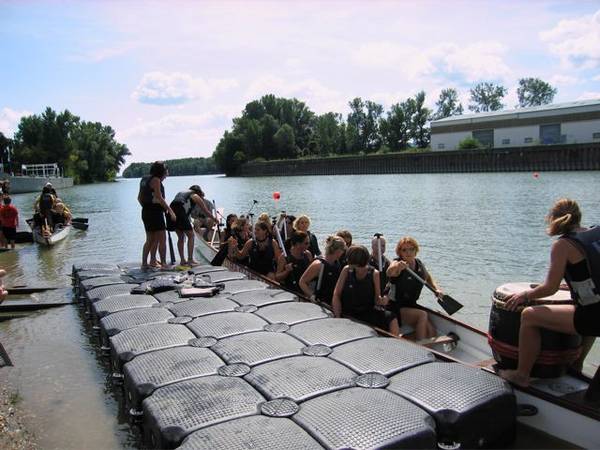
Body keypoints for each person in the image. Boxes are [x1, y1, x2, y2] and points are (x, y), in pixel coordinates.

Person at [500, 199, 600, 387]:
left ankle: (521, 375)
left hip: (595, 316)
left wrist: (524, 296)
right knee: (586, 307)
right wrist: (570, 286)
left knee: (529, 316)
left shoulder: (562, 245)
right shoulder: (596, 231)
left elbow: (549, 288)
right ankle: (576, 365)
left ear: (553, 219)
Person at [332, 245, 400, 335]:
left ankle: (395, 342)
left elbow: (377, 300)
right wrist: (338, 317)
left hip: (366, 311)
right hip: (349, 311)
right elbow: (336, 294)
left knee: (391, 317)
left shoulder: (374, 273)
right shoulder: (346, 270)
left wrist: (385, 299)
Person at [386, 237, 439, 341]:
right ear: (399, 252)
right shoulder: (397, 263)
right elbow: (389, 271)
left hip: (411, 305)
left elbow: (428, 278)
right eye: (404, 250)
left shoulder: (419, 263)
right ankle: (421, 348)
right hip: (396, 307)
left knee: (432, 332)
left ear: (416, 250)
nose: (408, 252)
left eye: (411, 249)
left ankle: (403, 340)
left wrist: (437, 289)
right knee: (422, 315)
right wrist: (397, 267)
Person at [138, 161, 176, 270]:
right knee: (161, 239)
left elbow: (139, 198)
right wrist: (170, 211)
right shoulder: (156, 180)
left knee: (150, 239)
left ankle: (148, 262)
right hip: (155, 213)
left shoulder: (144, 179)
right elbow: (159, 197)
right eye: (166, 171)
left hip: (146, 211)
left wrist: (147, 207)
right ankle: (163, 263)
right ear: (162, 171)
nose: (167, 174)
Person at [168, 185, 215, 266]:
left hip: (171, 212)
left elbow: (181, 207)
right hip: (179, 211)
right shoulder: (195, 195)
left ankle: (183, 260)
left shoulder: (182, 194)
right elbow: (206, 211)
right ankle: (190, 260)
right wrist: (215, 219)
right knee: (191, 235)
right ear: (198, 192)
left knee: (181, 237)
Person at [299, 235, 346, 304]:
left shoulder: (337, 262)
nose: (343, 252)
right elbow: (302, 282)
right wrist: (313, 296)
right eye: (343, 250)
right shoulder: (318, 264)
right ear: (338, 250)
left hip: (331, 301)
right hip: (320, 302)